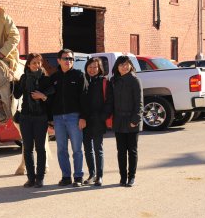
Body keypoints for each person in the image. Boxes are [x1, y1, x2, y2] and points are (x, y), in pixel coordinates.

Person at [13, 53, 54, 188]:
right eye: (34, 63)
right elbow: (17, 94)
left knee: (40, 149)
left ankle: (40, 178)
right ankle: (31, 178)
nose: (37, 65)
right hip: (25, 117)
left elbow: (52, 94)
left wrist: (42, 96)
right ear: (29, 65)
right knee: (28, 149)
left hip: (40, 117)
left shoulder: (45, 79)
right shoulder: (24, 78)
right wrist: (13, 81)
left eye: (39, 62)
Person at [51, 49, 86, 187]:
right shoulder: (54, 78)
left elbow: (84, 98)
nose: (68, 61)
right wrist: (50, 119)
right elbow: (49, 99)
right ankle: (66, 176)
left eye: (71, 59)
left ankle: (78, 177)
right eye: (65, 58)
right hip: (58, 118)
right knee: (61, 149)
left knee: (77, 149)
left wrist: (83, 117)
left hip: (74, 117)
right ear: (59, 60)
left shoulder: (79, 75)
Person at [110, 56, 143, 187]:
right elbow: (111, 102)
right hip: (118, 120)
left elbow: (139, 103)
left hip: (131, 120)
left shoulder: (135, 80)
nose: (124, 67)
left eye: (127, 64)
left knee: (132, 150)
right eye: (121, 64)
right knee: (121, 151)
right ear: (117, 67)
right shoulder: (114, 81)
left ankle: (131, 177)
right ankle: (123, 177)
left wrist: (135, 120)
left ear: (130, 65)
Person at [81, 58, 113, 186]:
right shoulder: (83, 81)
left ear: (100, 69)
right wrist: (81, 117)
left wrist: (103, 117)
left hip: (98, 120)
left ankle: (99, 176)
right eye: (90, 67)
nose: (92, 70)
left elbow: (109, 102)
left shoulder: (104, 82)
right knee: (87, 149)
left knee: (98, 148)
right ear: (86, 68)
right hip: (85, 121)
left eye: (95, 67)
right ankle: (91, 174)